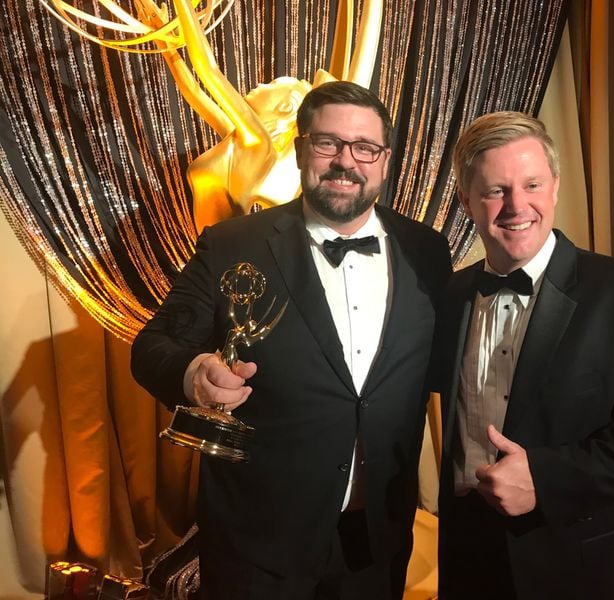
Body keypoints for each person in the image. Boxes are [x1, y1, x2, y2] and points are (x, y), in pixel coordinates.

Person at [131, 81, 452, 600]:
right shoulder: (233, 243)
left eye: (364, 147)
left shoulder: (428, 252)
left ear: (385, 160)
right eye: (328, 143)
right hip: (258, 540)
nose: (346, 161)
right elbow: (153, 345)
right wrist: (193, 375)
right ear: (302, 148)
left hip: (375, 540)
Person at [435, 111, 614, 599]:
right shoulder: (450, 295)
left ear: (555, 186)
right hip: (471, 551)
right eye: (496, 190)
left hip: (582, 559)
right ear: (465, 201)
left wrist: (547, 476)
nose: (517, 206)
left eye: (532, 184)